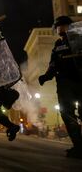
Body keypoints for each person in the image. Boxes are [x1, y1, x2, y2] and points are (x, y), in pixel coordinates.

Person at [38, 15, 82, 159]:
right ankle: (78, 146)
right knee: (67, 114)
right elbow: (53, 65)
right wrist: (46, 76)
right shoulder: (57, 45)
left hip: (78, 81)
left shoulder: (79, 40)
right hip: (64, 85)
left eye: (59, 26)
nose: (57, 29)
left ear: (65, 26)